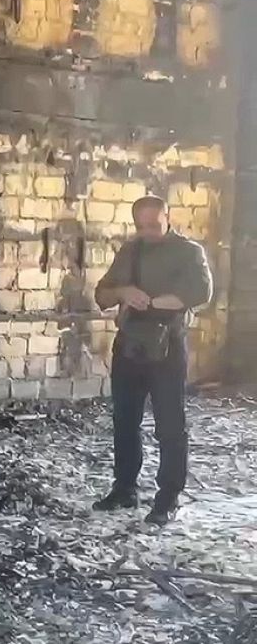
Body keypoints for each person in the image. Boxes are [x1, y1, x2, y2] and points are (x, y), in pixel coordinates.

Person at [92, 195, 213, 525]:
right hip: (129, 346)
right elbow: (101, 294)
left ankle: (168, 497)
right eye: (141, 226)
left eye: (155, 225)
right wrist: (124, 293)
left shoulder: (189, 252)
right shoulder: (130, 250)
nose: (149, 232)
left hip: (168, 348)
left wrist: (154, 302)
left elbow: (202, 293)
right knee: (125, 420)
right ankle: (125, 488)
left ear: (168, 217)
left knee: (170, 425)